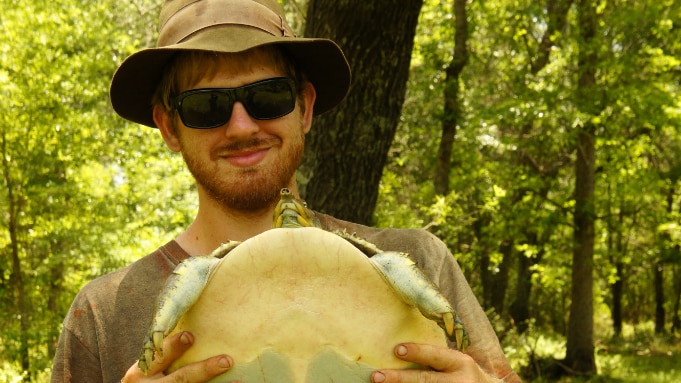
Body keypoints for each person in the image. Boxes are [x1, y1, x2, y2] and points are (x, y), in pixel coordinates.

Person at [51, 0, 521, 382]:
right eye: (206, 105)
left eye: (267, 96)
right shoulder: (103, 314)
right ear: (168, 127)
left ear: (305, 108)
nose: (241, 125)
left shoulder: (418, 260)